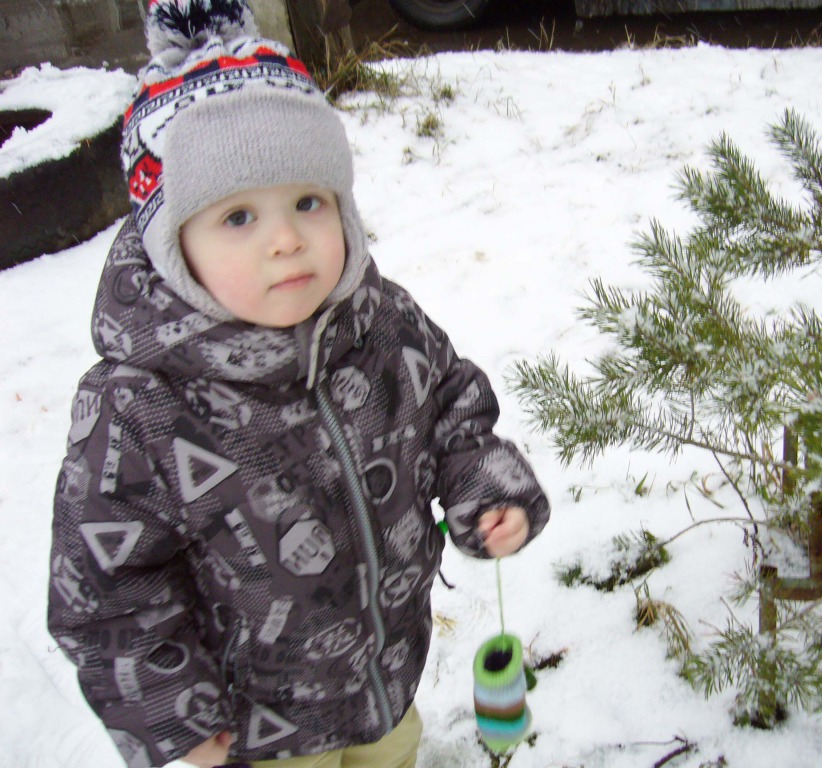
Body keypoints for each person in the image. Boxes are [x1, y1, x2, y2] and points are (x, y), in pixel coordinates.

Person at [46, 1, 550, 766]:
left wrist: (486, 487)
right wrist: (175, 713)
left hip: (386, 678)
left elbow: (453, 410)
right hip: (257, 726)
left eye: (308, 203)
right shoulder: (140, 404)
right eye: (237, 218)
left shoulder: (379, 322)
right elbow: (106, 587)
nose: (286, 239)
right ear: (172, 245)